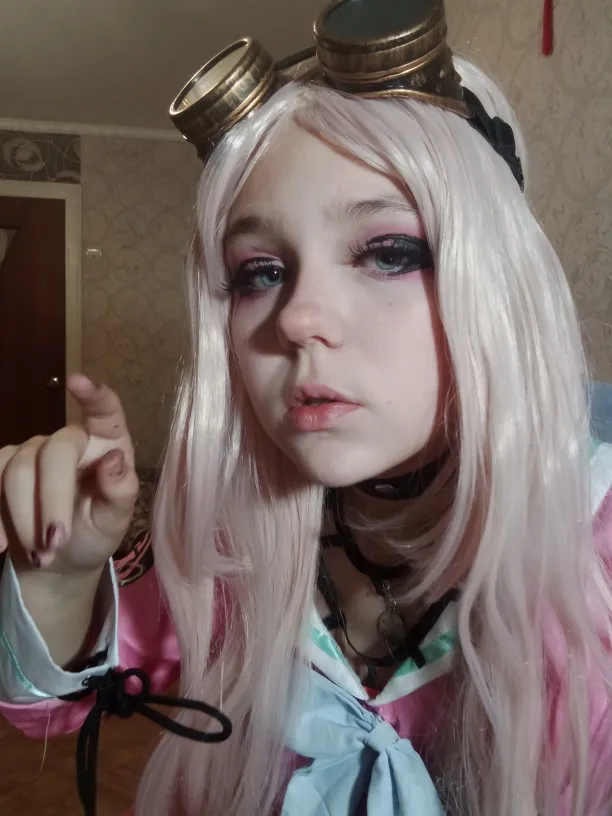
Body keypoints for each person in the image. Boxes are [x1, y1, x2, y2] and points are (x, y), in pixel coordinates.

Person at [2, 1, 612, 814]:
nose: (295, 319)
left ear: (498, 283)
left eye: (389, 252)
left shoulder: (593, 553)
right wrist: (60, 581)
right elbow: (54, 708)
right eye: (259, 272)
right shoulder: (232, 541)